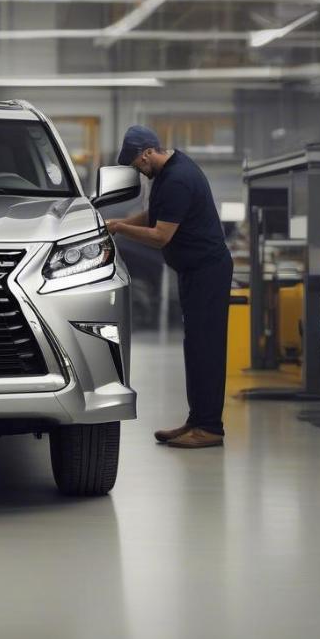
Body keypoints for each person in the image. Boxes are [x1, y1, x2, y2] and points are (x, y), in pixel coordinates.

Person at [105, 125, 233, 449]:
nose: (137, 170)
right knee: (195, 348)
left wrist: (119, 227)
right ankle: (197, 420)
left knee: (206, 349)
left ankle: (209, 427)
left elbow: (161, 234)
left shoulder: (177, 178)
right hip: (195, 272)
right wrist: (112, 224)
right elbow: (154, 214)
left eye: (137, 164)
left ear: (148, 153)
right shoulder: (167, 172)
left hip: (208, 272)